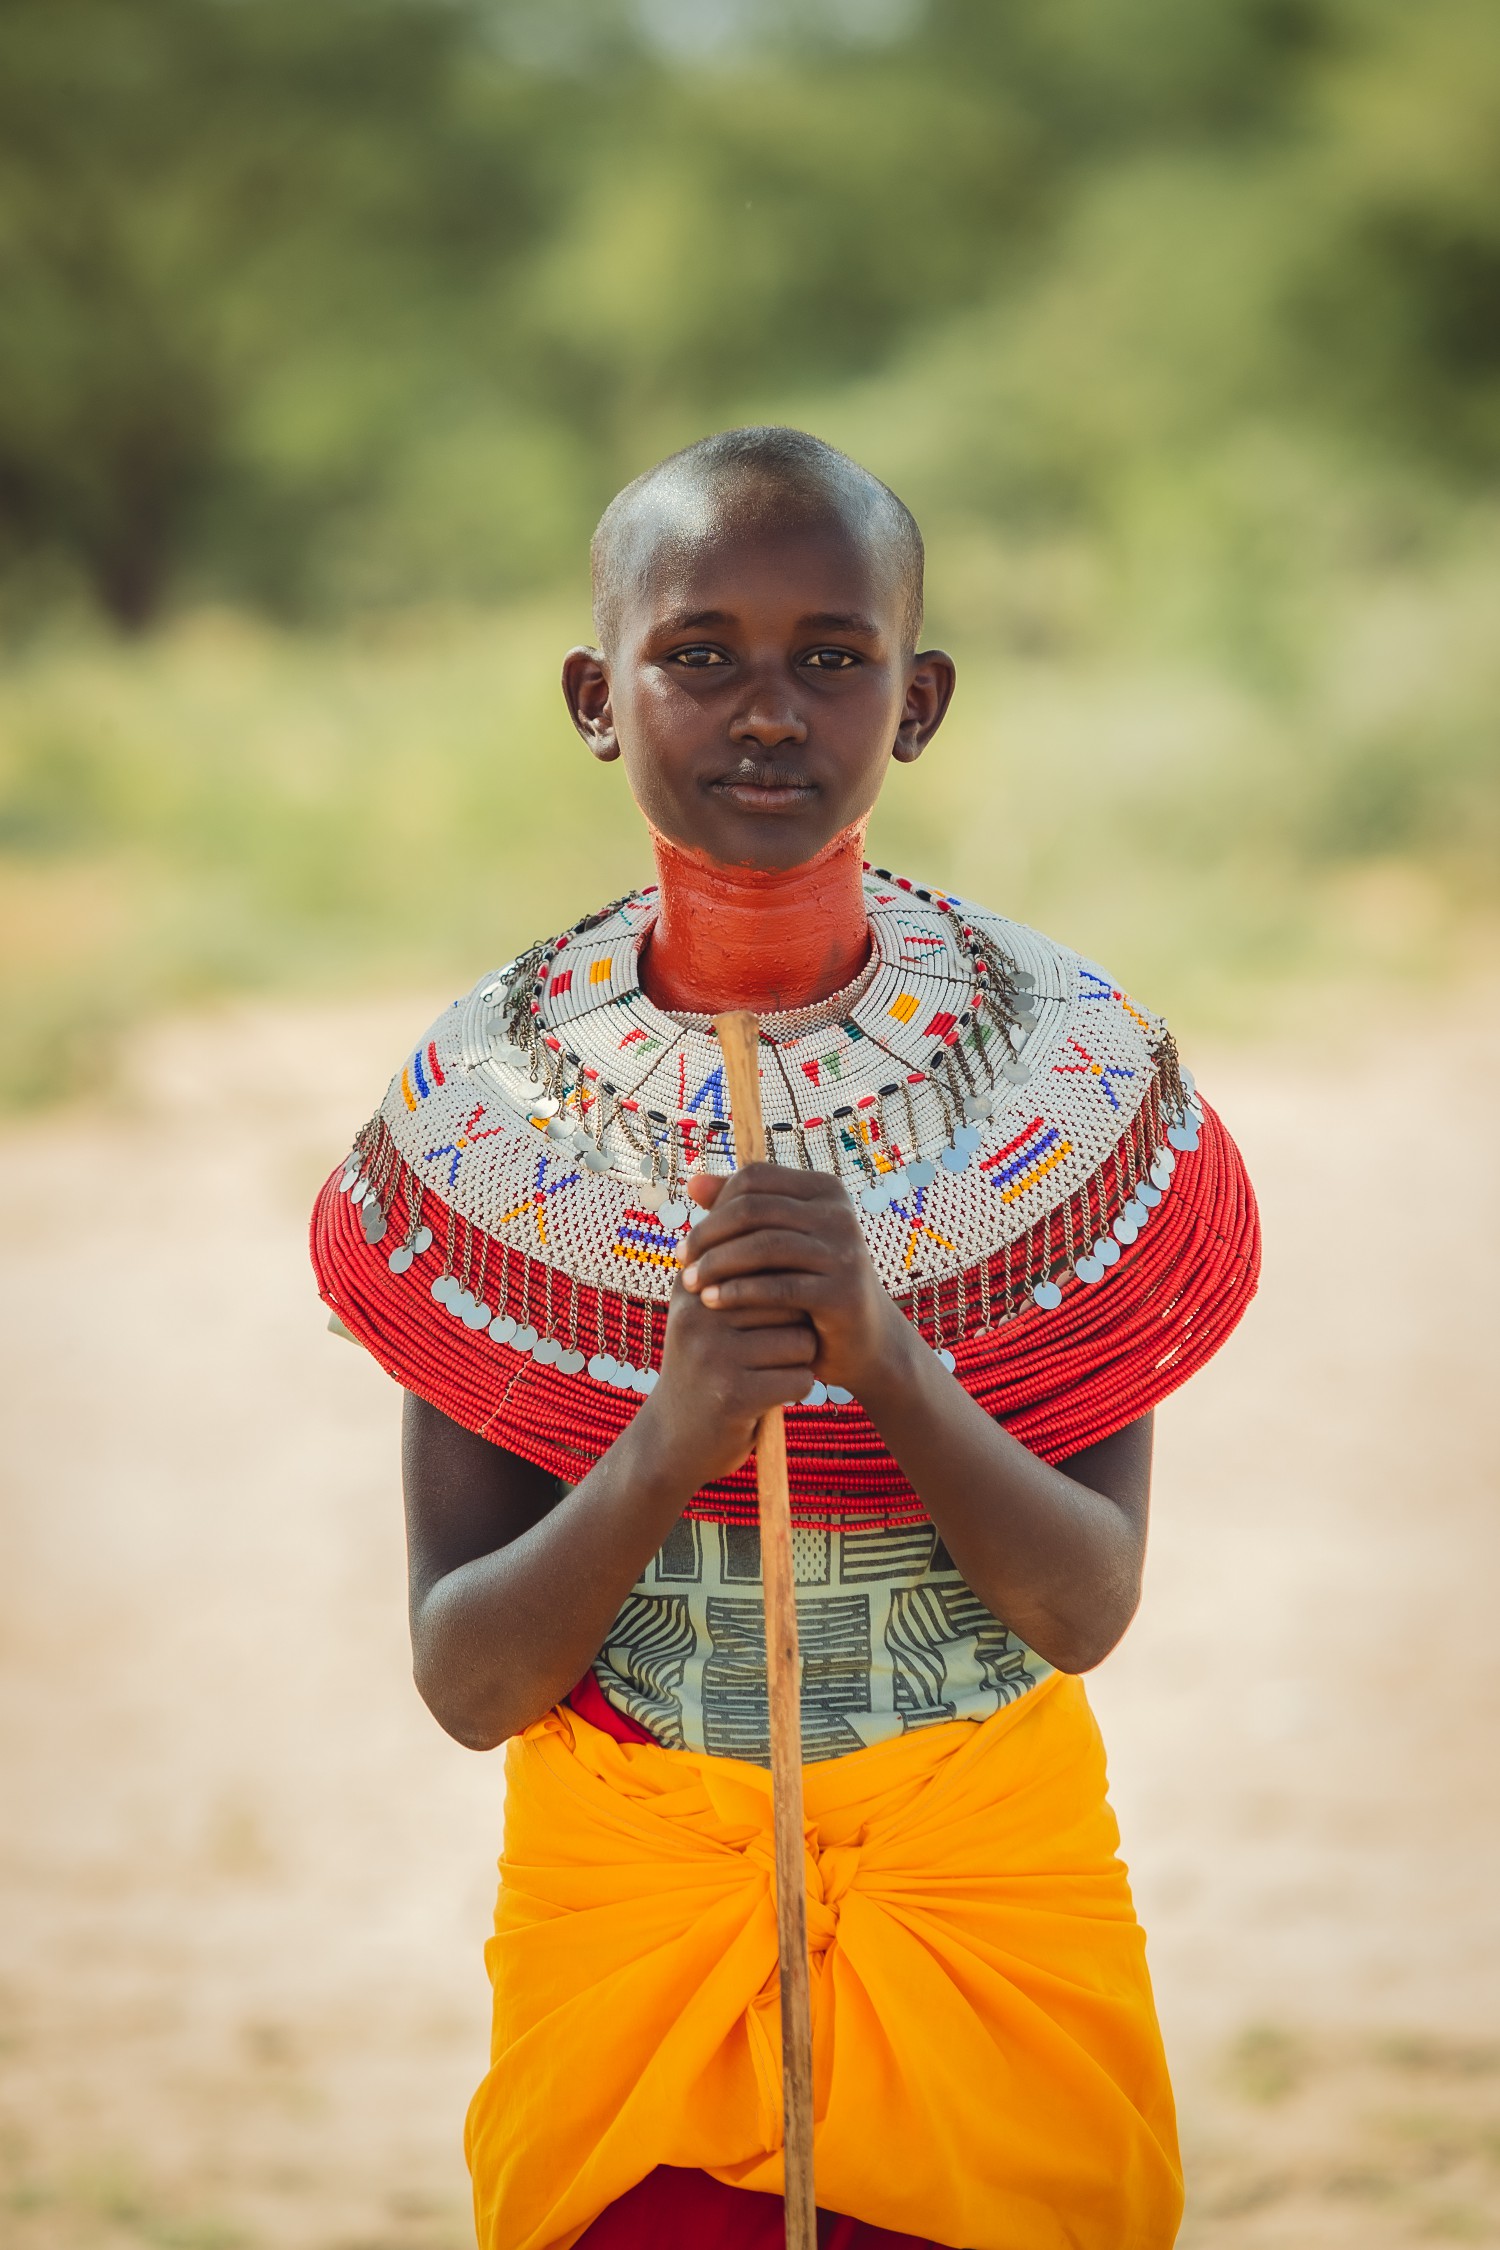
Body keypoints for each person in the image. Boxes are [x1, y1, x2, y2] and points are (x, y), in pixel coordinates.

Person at [312, 428, 1260, 2250]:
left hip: (980, 1910)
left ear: (921, 701)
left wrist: (888, 1361)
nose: (769, 709)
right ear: (597, 698)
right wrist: (671, 1431)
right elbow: (470, 1681)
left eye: (834, 655)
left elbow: (1081, 1607)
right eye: (699, 653)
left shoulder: (1062, 1090)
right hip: (637, 1939)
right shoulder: (492, 1123)